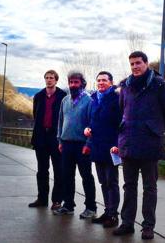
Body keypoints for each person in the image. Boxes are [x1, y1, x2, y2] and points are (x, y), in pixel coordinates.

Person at [112, 51, 165, 240]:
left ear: (146, 63)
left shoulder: (159, 84)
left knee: (149, 187)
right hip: (129, 143)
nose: (135, 67)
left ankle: (148, 226)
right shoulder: (125, 85)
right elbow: (122, 110)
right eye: (132, 64)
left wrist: (155, 127)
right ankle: (127, 223)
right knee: (129, 186)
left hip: (150, 142)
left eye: (138, 63)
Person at [53, 71, 97, 219]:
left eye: (76, 82)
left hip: (82, 145)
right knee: (67, 176)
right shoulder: (65, 100)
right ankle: (68, 205)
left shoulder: (89, 101)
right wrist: (60, 140)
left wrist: (88, 144)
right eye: (71, 82)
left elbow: (92, 124)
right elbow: (60, 121)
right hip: (66, 144)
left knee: (86, 177)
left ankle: (91, 208)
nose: (73, 85)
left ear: (82, 84)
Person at [83, 71, 121, 228]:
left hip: (112, 148)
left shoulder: (117, 99)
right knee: (103, 182)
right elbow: (91, 121)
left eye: (104, 80)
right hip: (97, 146)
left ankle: (113, 215)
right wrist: (88, 129)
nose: (101, 83)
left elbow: (121, 123)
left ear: (111, 82)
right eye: (98, 80)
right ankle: (107, 212)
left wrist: (119, 144)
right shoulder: (94, 99)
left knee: (112, 182)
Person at [28, 70, 67, 210]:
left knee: (59, 170)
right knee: (42, 170)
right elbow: (35, 115)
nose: (49, 80)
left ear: (56, 80)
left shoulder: (63, 96)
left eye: (52, 78)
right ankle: (42, 198)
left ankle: (57, 200)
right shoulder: (38, 96)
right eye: (47, 78)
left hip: (56, 137)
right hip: (41, 137)